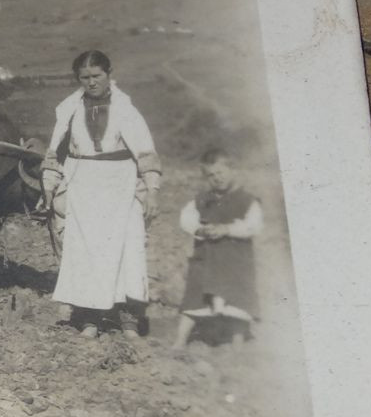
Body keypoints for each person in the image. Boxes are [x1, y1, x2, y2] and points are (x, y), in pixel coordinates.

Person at [41, 50, 162, 335]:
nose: (91, 82)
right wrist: (49, 187)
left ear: (109, 74)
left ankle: (128, 319)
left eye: (97, 76)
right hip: (83, 187)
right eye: (85, 77)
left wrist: (153, 191)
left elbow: (145, 152)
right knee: (86, 253)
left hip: (120, 185)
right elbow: (55, 153)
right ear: (78, 79)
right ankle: (90, 318)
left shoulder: (126, 110)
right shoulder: (68, 110)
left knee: (128, 250)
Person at [174, 148, 263, 348]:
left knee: (238, 299)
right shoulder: (202, 199)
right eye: (211, 175)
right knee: (195, 296)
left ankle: (237, 340)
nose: (217, 179)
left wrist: (227, 229)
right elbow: (186, 218)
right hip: (206, 258)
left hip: (234, 259)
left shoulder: (247, 200)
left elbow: (253, 225)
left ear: (232, 171)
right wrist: (200, 229)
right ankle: (180, 339)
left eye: (221, 173)